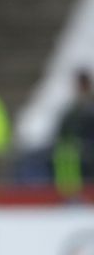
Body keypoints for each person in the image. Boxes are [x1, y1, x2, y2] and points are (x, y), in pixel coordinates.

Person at [53, 69, 94, 197]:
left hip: (88, 145)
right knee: (66, 153)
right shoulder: (73, 108)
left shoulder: (87, 107)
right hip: (77, 146)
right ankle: (69, 193)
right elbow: (63, 129)